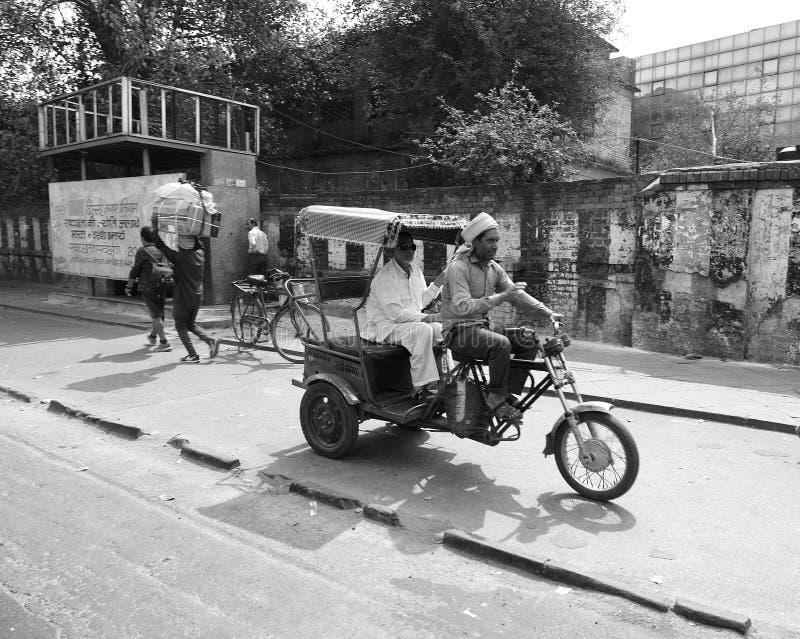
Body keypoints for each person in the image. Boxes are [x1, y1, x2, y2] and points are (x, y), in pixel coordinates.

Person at [440, 212, 563, 422]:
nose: (495, 245)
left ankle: (507, 394)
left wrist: (548, 312)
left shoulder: (493, 268)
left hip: (481, 329)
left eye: (497, 240)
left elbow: (516, 295)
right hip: (457, 331)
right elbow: (462, 307)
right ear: (475, 242)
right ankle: (494, 398)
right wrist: (501, 297)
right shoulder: (458, 268)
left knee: (528, 338)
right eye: (490, 241)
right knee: (501, 344)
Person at [361, 231, 445, 398]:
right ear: (393, 249)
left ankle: (445, 379)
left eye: (412, 247)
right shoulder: (385, 276)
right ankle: (420, 388)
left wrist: (438, 283)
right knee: (423, 330)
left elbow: (421, 302)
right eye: (403, 247)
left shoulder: (415, 270)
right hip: (385, 327)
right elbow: (395, 315)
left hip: (410, 323)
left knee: (443, 329)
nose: (409, 251)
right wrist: (427, 318)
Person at [151, 229, 220, 363]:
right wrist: (193, 232)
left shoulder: (180, 257)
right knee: (191, 324)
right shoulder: (200, 254)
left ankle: (193, 355)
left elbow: (160, 245)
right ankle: (211, 341)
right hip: (197, 295)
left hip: (183, 297)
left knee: (181, 326)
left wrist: (155, 225)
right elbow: (200, 244)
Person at [125, 226, 172, 352]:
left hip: (147, 286)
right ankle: (153, 336)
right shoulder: (162, 249)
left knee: (156, 315)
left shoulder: (142, 251)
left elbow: (135, 270)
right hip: (162, 284)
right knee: (159, 312)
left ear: (142, 238)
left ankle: (164, 342)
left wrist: (129, 286)